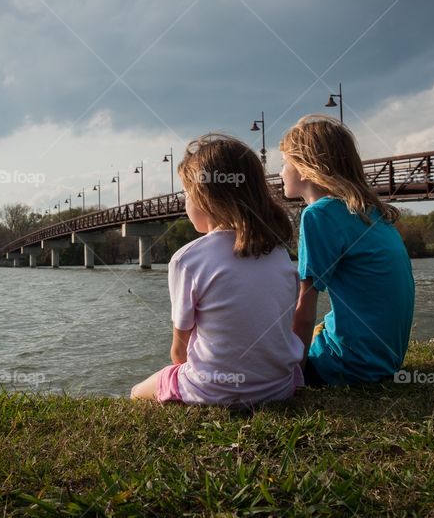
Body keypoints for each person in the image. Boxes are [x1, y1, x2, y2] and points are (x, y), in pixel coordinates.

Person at [130, 134, 304, 405]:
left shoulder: (187, 259)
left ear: (204, 197)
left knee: (137, 392)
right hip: (278, 388)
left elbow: (179, 353)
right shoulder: (280, 254)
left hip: (212, 391)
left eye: (187, 193)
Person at [279, 114, 415, 386]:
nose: (281, 172)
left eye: (285, 162)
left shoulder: (319, 215)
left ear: (306, 168)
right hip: (386, 360)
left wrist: (292, 376)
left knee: (264, 347)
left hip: (350, 365)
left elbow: (304, 310)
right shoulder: (370, 212)